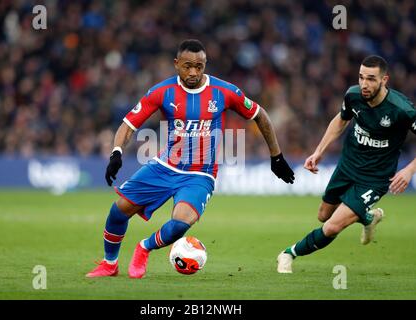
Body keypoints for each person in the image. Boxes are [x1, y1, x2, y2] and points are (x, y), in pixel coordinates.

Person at [86, 39, 295, 278]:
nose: (194, 72)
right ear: (176, 64)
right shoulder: (161, 91)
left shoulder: (224, 91)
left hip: (200, 174)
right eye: (187, 66)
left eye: (199, 66)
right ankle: (109, 264)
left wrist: (276, 156)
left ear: (205, 64)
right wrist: (116, 153)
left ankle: (144, 248)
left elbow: (261, 115)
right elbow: (129, 124)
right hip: (165, 166)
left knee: (180, 224)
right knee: (118, 210)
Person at [277, 55, 416, 273]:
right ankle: (368, 217)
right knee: (323, 215)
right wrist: (319, 151)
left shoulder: (402, 110)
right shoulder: (353, 96)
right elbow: (341, 119)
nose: (364, 84)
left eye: (371, 79)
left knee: (331, 227)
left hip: (375, 178)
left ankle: (288, 254)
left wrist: (409, 170)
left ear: (384, 80)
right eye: (361, 77)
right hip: (348, 166)